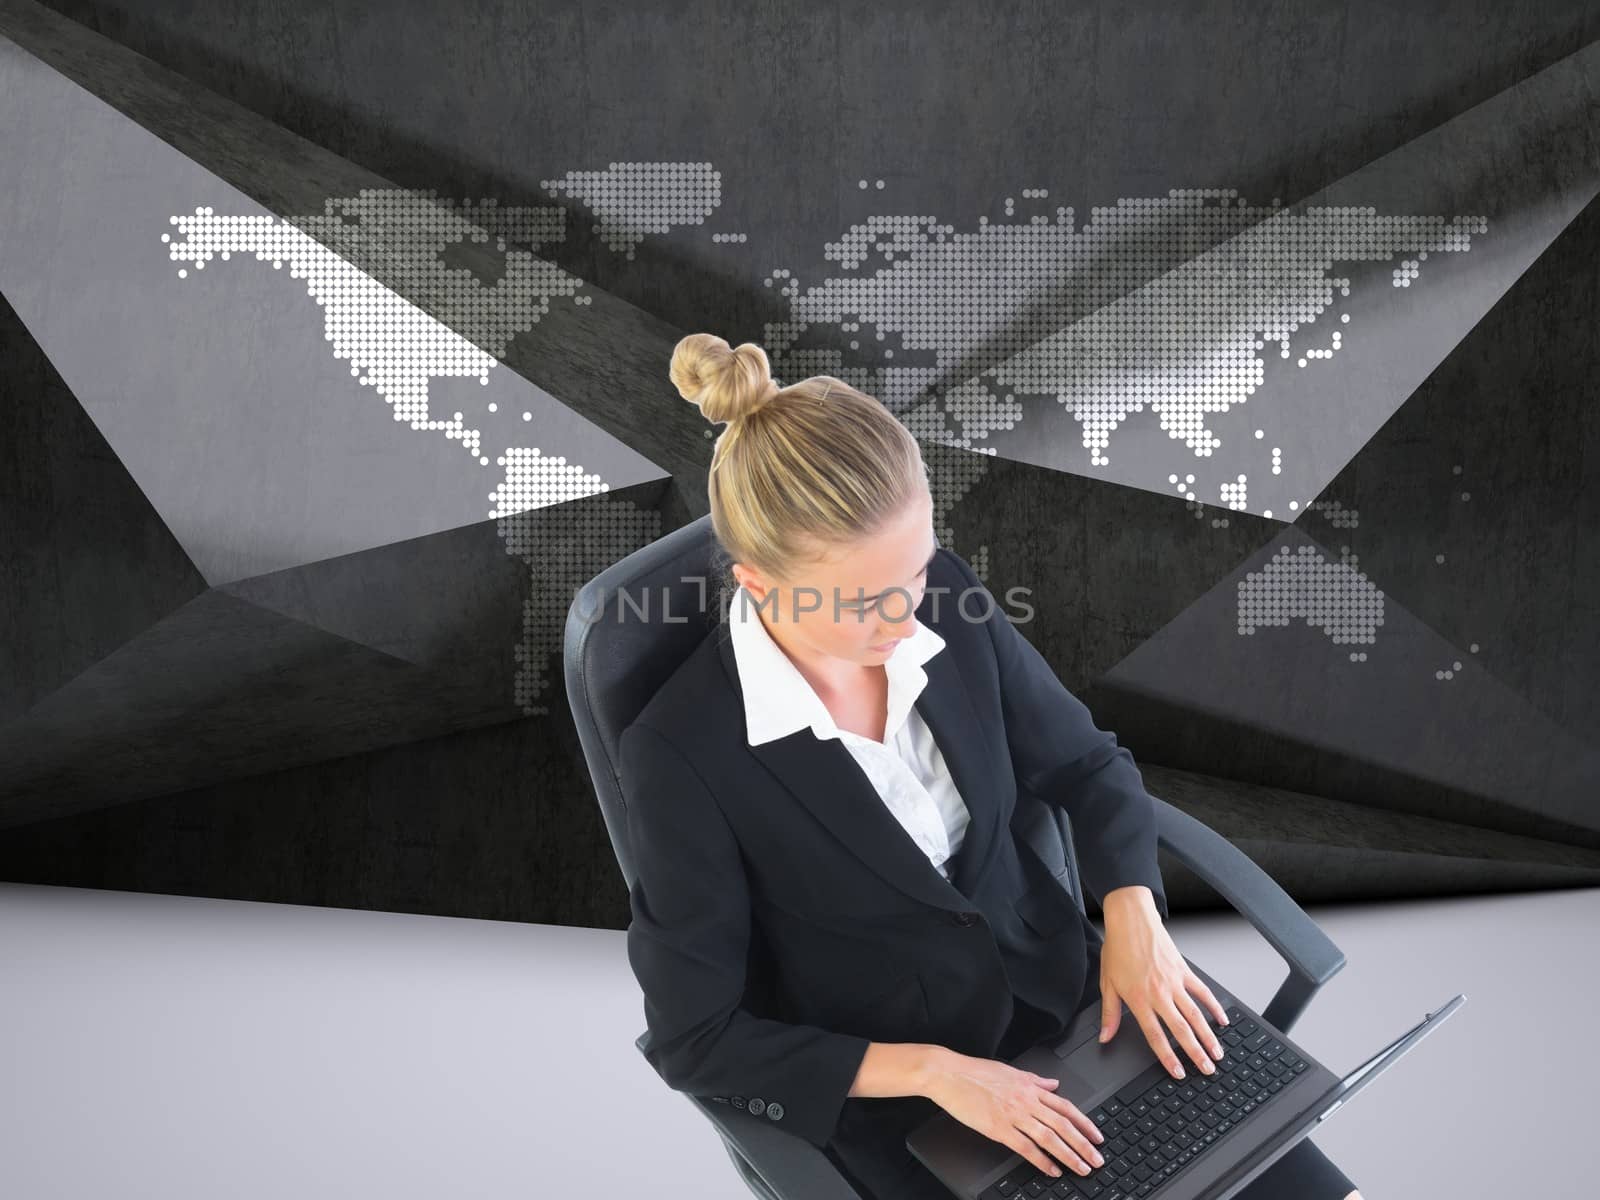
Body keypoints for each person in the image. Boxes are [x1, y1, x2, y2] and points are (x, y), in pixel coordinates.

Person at [619, 333, 1362, 1200]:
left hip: (1077, 1008)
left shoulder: (947, 604)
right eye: (863, 602)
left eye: (918, 569)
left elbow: (1087, 765)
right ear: (757, 582)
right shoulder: (683, 754)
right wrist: (936, 1074)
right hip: (917, 1109)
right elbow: (697, 1038)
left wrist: (1135, 918)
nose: (907, 615)